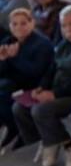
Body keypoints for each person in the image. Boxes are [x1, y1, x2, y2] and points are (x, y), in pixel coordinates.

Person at [13, 5, 71, 166]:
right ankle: (50, 140)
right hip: (57, 91)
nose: (67, 29)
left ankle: (69, 145)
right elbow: (51, 70)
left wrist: (54, 94)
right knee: (19, 108)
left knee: (41, 110)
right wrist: (42, 87)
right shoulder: (63, 45)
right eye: (63, 25)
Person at [0, 8, 54, 152]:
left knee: (4, 91)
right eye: (14, 24)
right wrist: (3, 59)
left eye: (23, 23)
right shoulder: (8, 41)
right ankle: (12, 127)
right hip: (14, 83)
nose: (19, 27)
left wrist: (14, 58)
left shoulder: (42, 43)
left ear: (32, 23)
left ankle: (17, 130)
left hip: (36, 85)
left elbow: (35, 72)